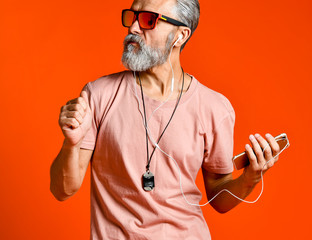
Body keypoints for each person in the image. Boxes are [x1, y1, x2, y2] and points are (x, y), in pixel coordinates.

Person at [50, 0, 281, 239]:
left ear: (180, 36)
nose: (133, 29)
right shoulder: (99, 94)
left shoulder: (214, 107)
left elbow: (219, 199)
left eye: (148, 20)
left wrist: (250, 178)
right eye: (132, 17)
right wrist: (71, 144)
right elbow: (62, 191)